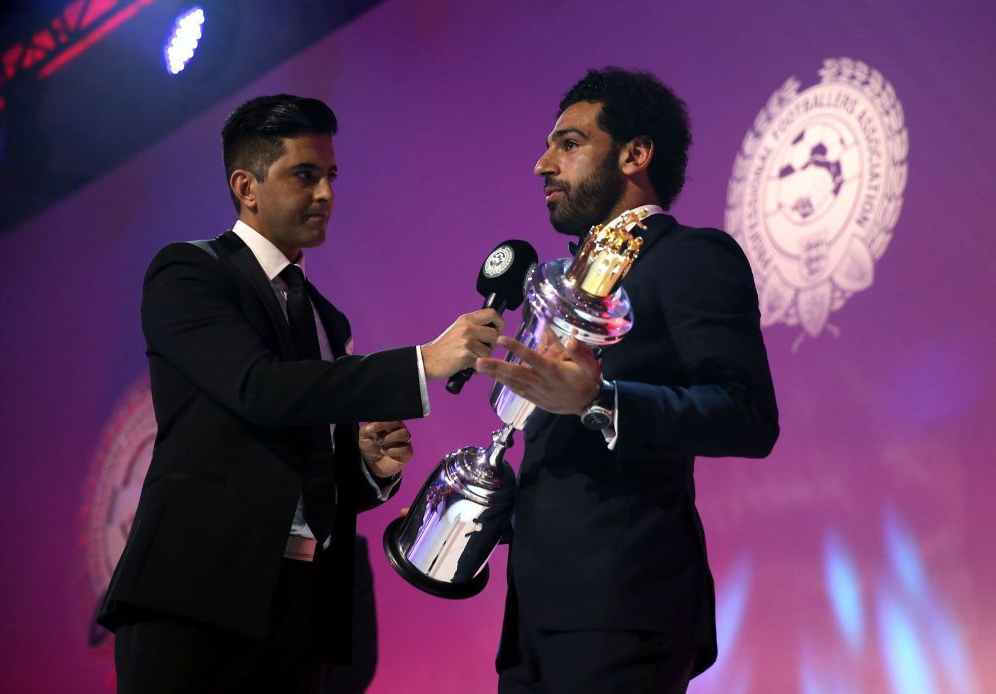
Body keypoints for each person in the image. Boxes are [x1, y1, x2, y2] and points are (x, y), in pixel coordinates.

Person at [97, 94, 503, 693]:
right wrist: (423, 360)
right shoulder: (188, 273)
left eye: (331, 176)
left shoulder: (326, 317)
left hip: (304, 606)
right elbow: (257, 389)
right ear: (247, 186)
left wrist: (364, 472)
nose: (326, 194)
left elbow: (297, 454)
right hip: (195, 591)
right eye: (304, 175)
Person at [476, 68, 779, 693]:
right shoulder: (565, 281)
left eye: (569, 144)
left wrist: (600, 401)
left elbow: (747, 414)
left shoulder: (690, 254)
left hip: (622, 607)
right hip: (533, 618)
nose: (542, 164)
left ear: (635, 154)